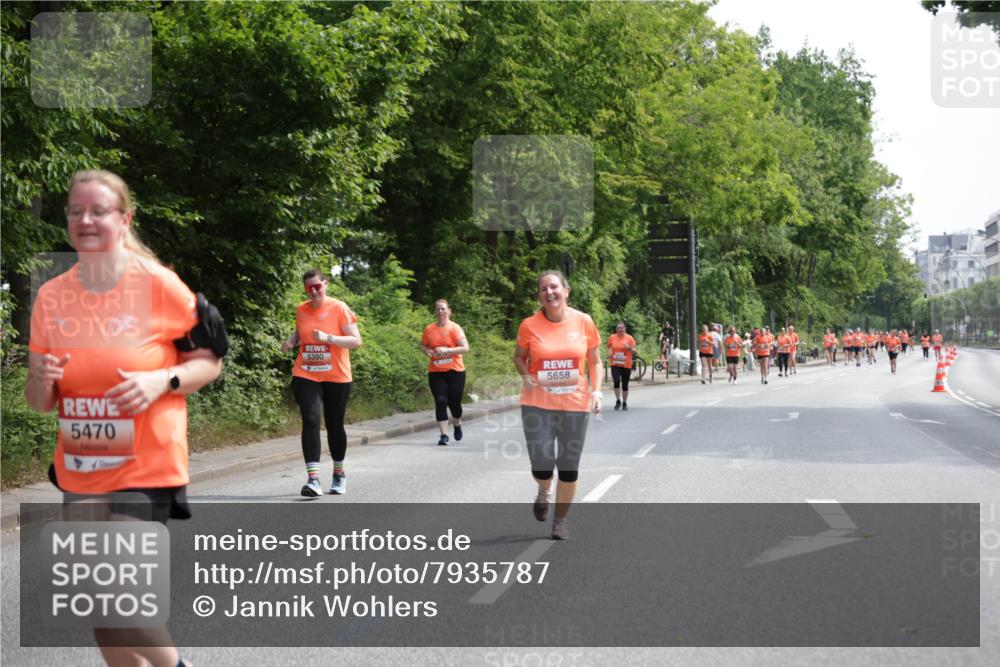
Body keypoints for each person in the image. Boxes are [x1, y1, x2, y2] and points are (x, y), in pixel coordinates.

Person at [25, 170, 225, 667]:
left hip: (146, 464)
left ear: (124, 218)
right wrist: (41, 378)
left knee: (112, 590)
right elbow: (39, 401)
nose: (85, 220)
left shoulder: (158, 284)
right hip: (83, 465)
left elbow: (210, 361)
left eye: (98, 211)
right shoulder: (51, 296)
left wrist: (163, 381)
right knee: (99, 604)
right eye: (76, 211)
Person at [514, 270, 601, 540]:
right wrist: (526, 375)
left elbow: (595, 361)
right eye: (543, 289)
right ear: (539, 295)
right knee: (541, 464)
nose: (549, 293)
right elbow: (519, 357)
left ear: (566, 290)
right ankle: (544, 489)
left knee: (568, 467)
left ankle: (560, 521)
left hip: (574, 404)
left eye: (554, 287)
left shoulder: (584, 321)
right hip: (537, 403)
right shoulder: (529, 325)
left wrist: (597, 391)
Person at [282, 269, 361, 497]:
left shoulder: (339, 307)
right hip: (307, 372)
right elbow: (300, 333)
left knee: (334, 424)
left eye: (317, 286)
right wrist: (290, 342)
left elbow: (356, 341)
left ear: (325, 284)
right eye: (309, 287)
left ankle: (338, 473)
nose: (314, 290)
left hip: (337, 374)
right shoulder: (301, 309)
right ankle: (313, 479)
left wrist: (329, 338)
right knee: (311, 419)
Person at [420, 299, 469, 446]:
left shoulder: (454, 328)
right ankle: (443, 435)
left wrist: (447, 350)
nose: (440, 312)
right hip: (436, 371)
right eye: (438, 309)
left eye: (443, 309)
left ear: (449, 311)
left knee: (455, 404)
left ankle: (457, 423)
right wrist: (427, 351)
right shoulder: (429, 329)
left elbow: (465, 348)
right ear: (435, 312)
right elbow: (422, 345)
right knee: (441, 401)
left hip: (455, 371)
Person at [607, 321, 637, 410]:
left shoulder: (629, 338)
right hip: (615, 363)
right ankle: (618, 400)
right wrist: (609, 353)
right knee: (616, 381)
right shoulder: (612, 337)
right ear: (616, 329)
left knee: (625, 384)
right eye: (618, 328)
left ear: (625, 329)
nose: (620, 329)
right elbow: (608, 346)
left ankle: (624, 402)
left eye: (621, 328)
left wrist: (629, 348)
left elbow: (635, 351)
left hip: (626, 364)